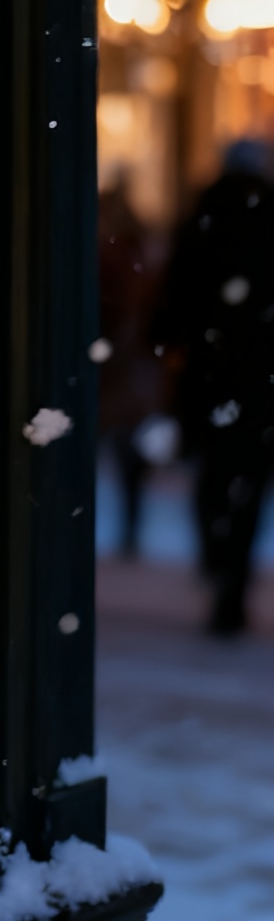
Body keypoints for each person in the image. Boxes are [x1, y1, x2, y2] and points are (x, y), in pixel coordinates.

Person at [154, 139, 274, 634]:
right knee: (249, 480)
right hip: (260, 378)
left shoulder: (202, 220)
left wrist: (170, 343)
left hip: (209, 373)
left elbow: (173, 299)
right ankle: (233, 573)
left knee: (214, 474)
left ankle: (218, 556)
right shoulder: (267, 222)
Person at [96, 178, 164, 556]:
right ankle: (129, 524)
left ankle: (125, 525)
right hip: (129, 366)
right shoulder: (137, 257)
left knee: (117, 446)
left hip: (117, 365)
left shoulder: (111, 257)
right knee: (127, 451)